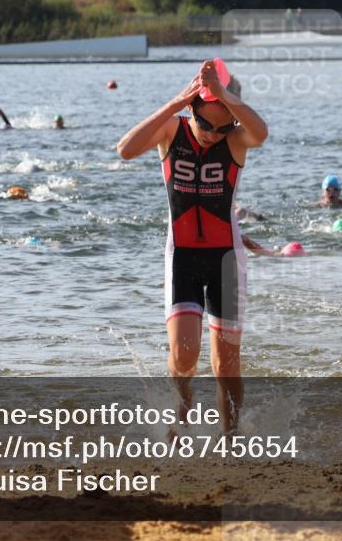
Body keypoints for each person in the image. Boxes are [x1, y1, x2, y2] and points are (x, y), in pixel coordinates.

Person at [117, 60, 268, 434]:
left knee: (226, 365)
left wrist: (224, 96)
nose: (213, 135)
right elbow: (125, 150)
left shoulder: (236, 140)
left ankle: (230, 439)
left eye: (223, 126)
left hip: (226, 260)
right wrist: (175, 103)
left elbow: (261, 132)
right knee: (184, 356)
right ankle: (182, 403)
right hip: (182, 257)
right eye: (205, 124)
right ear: (191, 109)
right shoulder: (172, 130)